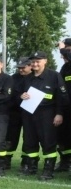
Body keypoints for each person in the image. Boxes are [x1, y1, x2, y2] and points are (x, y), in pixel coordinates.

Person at [20, 51, 68, 180]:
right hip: (29, 113)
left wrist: (59, 114)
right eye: (33, 62)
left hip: (47, 114)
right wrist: (22, 96)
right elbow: (22, 94)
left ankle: (48, 170)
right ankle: (31, 167)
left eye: (38, 61)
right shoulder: (28, 78)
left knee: (48, 142)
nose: (35, 64)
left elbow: (62, 97)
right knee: (30, 141)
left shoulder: (54, 76)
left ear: (45, 61)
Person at [4, 57, 33, 171]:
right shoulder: (13, 78)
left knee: (28, 137)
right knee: (10, 137)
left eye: (23, 68)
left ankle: (26, 161)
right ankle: (6, 160)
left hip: (30, 112)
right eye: (19, 68)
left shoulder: (35, 78)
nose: (21, 70)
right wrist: (19, 97)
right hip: (14, 112)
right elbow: (8, 95)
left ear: (30, 66)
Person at [56, 39, 71, 172]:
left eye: (68, 51)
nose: (63, 55)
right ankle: (65, 162)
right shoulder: (65, 68)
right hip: (66, 110)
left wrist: (63, 48)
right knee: (63, 137)